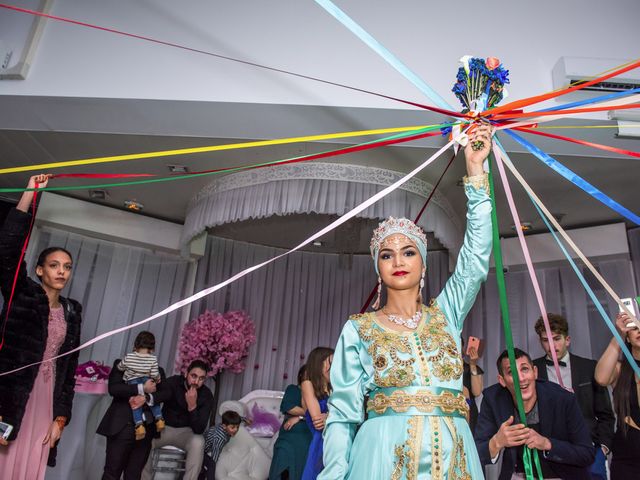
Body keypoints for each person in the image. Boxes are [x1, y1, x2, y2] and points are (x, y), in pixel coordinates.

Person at [319, 125, 493, 479]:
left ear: (423, 264)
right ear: (378, 269)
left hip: (453, 454)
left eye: (408, 252)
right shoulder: (360, 328)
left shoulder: (445, 314)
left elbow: (475, 260)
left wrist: (475, 171)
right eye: (387, 255)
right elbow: (341, 416)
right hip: (382, 454)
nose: (398, 261)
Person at [0, 174, 83, 480]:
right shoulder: (23, 294)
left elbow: (69, 367)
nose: (62, 271)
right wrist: (29, 194)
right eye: (54, 265)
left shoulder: (73, 310)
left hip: (46, 400)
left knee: (31, 463)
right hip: (11, 396)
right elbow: (7, 251)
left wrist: (61, 418)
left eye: (67, 267)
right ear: (39, 270)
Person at [475, 348, 595, 480]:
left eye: (525, 369)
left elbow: (587, 453)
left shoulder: (563, 399)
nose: (521, 378)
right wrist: (497, 442)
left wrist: (547, 444)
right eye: (511, 372)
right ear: (502, 380)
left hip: (561, 475)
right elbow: (476, 453)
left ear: (535, 372)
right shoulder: (493, 399)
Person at [532, 313, 615, 480]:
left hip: (589, 451)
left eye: (556, 339)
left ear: (567, 340)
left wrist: (603, 449)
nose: (551, 345)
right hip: (550, 454)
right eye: (546, 340)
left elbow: (606, 414)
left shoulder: (589, 367)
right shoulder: (533, 371)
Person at [141, 359, 214, 480]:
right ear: (186, 374)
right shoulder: (173, 383)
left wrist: (192, 406)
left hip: (187, 433)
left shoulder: (206, 395)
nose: (196, 381)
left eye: (201, 378)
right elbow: (155, 400)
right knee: (144, 437)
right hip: (163, 428)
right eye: (193, 376)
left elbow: (199, 429)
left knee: (199, 441)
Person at [97, 357, 164, 480]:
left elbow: (165, 393)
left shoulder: (157, 371)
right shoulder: (121, 365)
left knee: (134, 475)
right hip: (121, 428)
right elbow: (114, 389)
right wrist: (142, 388)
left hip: (145, 431)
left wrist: (147, 397)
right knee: (112, 473)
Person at [594, 311, 640, 477]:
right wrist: (618, 334)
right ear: (627, 336)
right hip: (627, 455)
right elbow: (600, 378)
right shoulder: (620, 369)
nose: (639, 330)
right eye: (634, 327)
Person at [118, 330, 165, 440]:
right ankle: (159, 419)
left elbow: (120, 367)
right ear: (152, 349)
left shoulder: (129, 357)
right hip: (147, 380)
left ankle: (139, 426)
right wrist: (156, 379)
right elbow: (154, 374)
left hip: (133, 381)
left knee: (135, 402)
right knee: (153, 400)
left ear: (135, 346)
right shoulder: (153, 359)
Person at [269, 365, 312, 480]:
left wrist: (300, 417)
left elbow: (316, 414)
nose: (309, 378)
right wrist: (306, 414)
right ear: (301, 376)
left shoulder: (316, 394)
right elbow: (289, 407)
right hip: (289, 433)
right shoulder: (292, 389)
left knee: (305, 448)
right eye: (307, 375)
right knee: (283, 450)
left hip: (308, 431)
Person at [301, 348, 333, 480]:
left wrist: (329, 416)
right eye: (331, 362)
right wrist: (334, 416)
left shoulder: (337, 386)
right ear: (320, 363)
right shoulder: (308, 384)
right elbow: (317, 420)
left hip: (337, 434)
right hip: (321, 439)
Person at [200, 410, 242, 480]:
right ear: (224, 426)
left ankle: (202, 472)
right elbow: (214, 458)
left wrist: (245, 420)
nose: (236, 430)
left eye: (237, 427)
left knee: (205, 466)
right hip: (200, 451)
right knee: (211, 465)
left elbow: (237, 419)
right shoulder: (220, 438)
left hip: (203, 446)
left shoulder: (225, 424)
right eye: (233, 427)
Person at [462, 337, 484, 434]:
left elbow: (477, 392)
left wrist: (472, 364)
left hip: (470, 412)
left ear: (463, 348)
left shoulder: (470, 368)